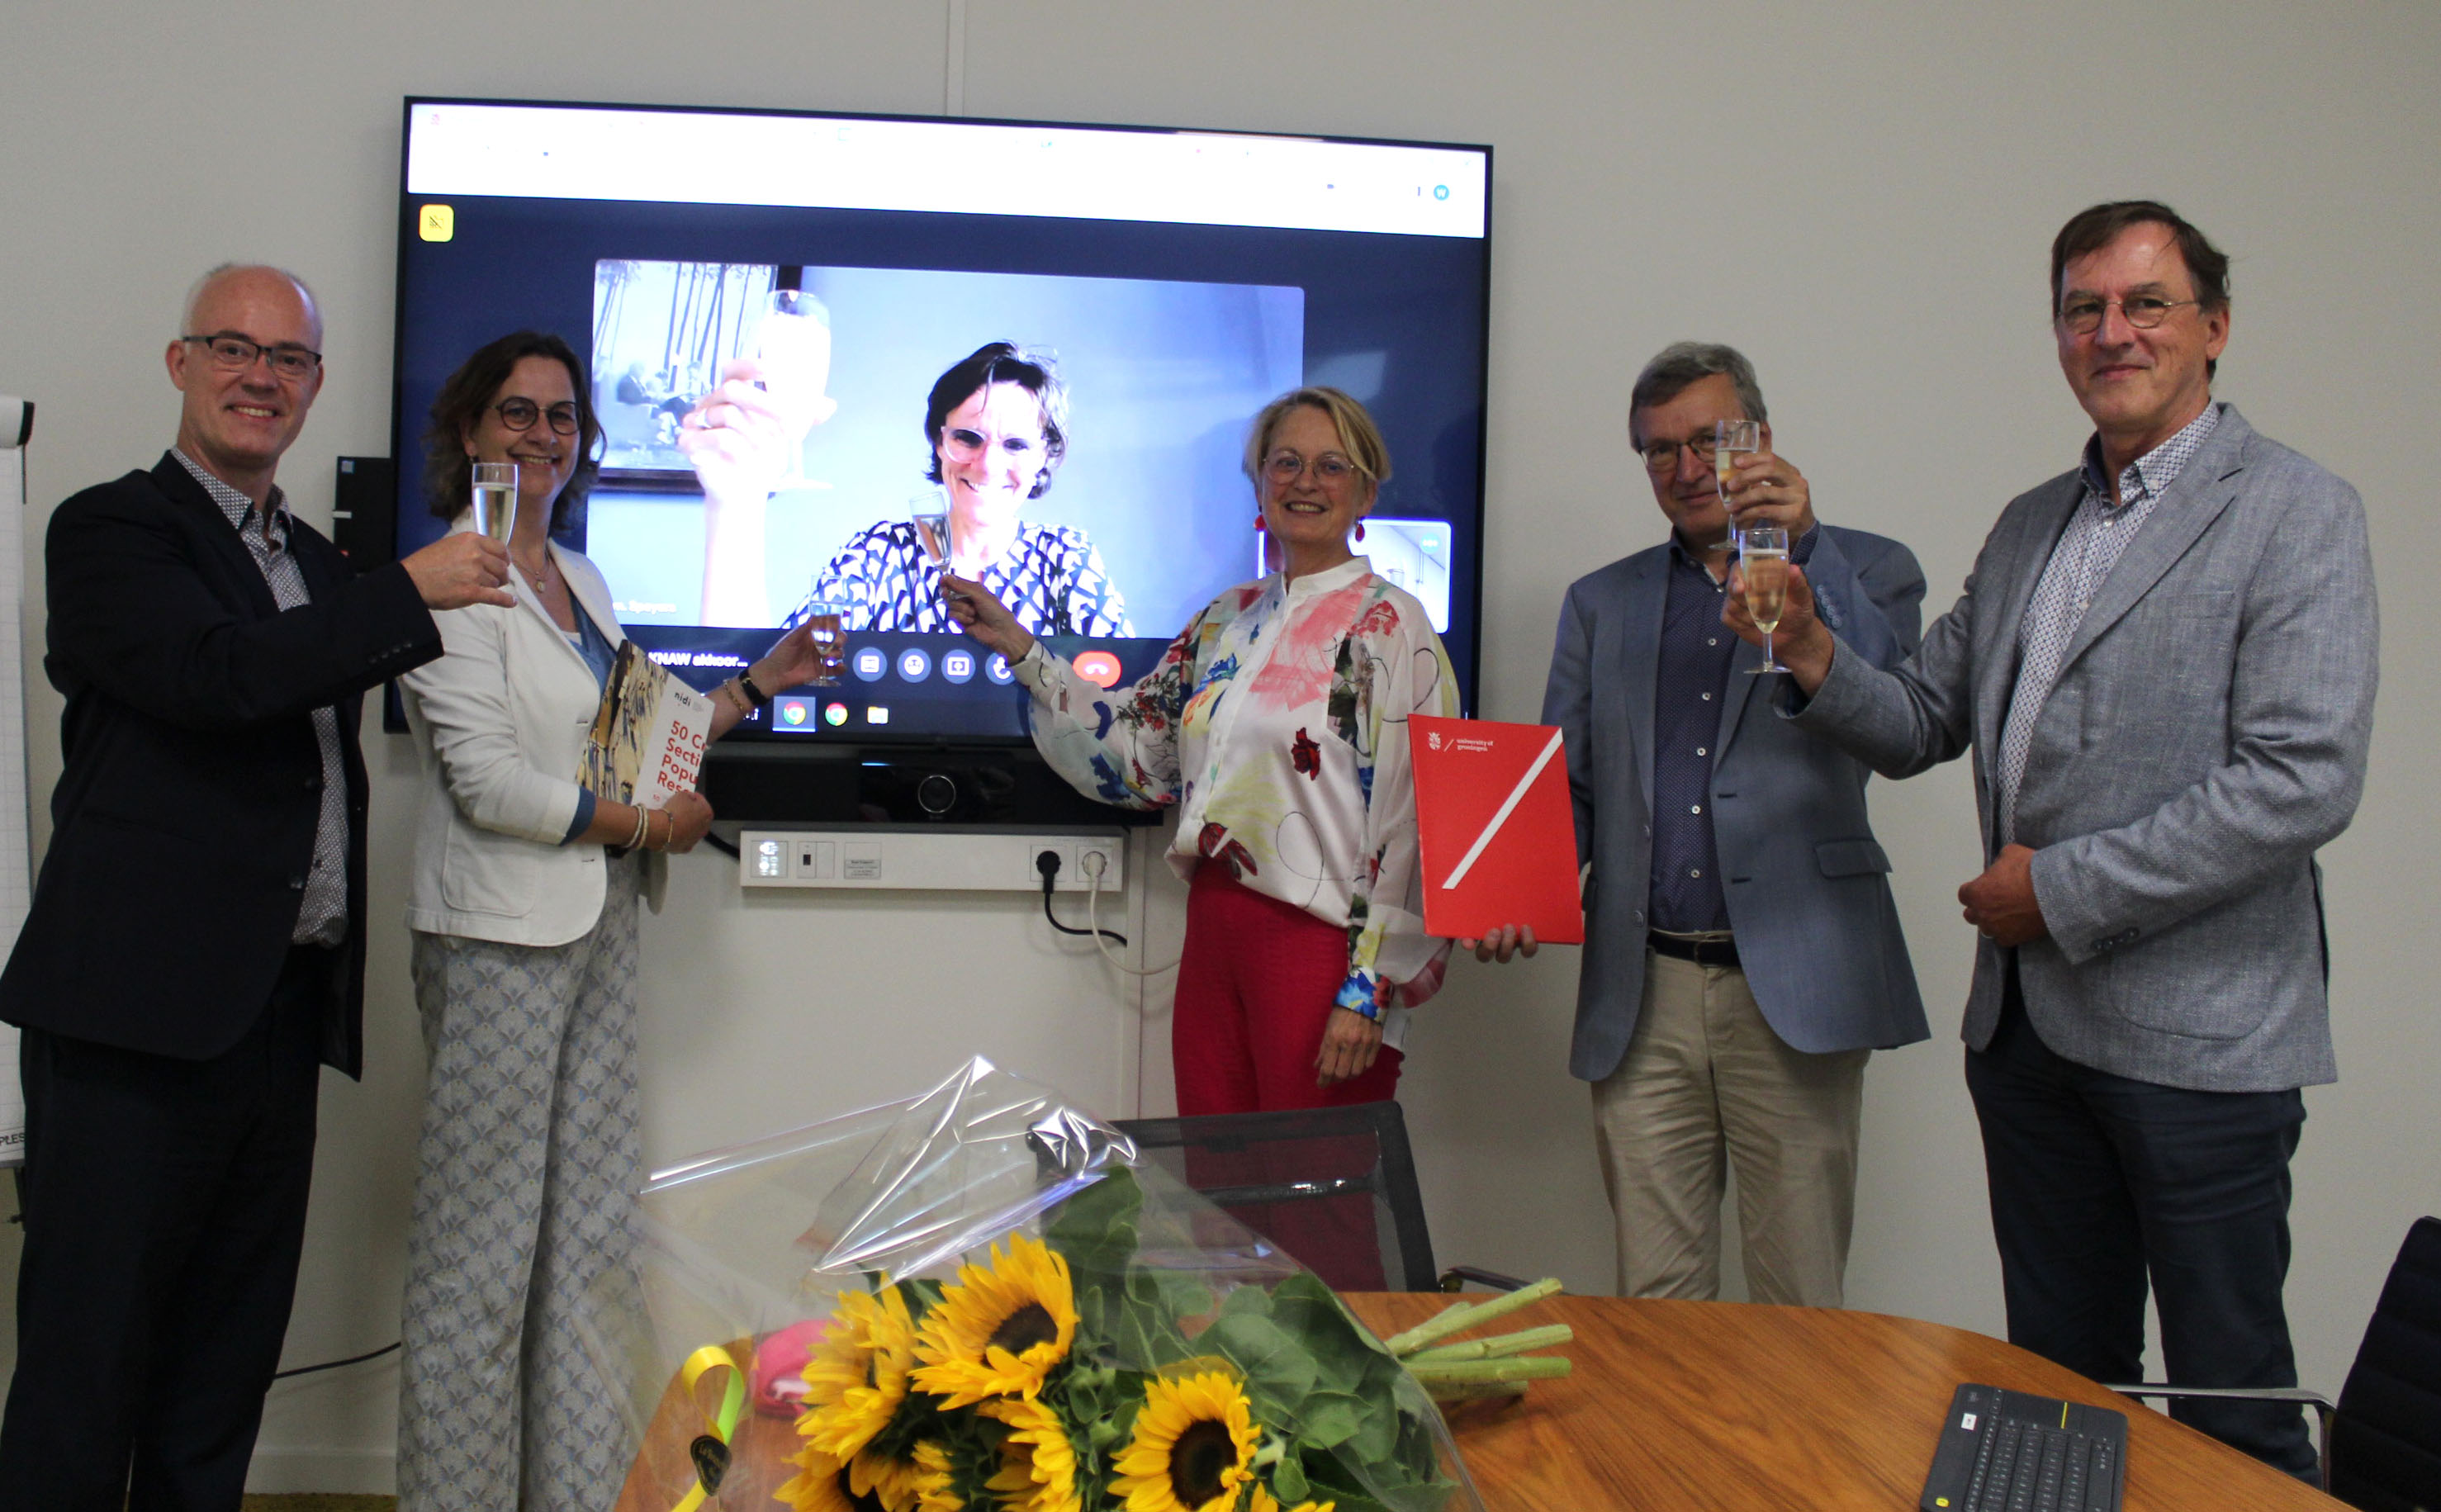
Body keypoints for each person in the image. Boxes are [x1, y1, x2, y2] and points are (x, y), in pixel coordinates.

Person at [1728, 201, 2377, 1476]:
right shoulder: (2037, 523)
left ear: (2216, 327)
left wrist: (2062, 889)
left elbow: (2303, 777)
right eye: (2084, 309)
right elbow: (1921, 716)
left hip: (2205, 1046)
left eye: (2145, 303)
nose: (2111, 331)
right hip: (2030, 1047)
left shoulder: (2299, 510)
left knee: (2228, 1412)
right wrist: (1810, 644)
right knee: (2064, 1401)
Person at [0, 263, 512, 1510]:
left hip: (274, 1022)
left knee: (219, 1376)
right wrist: (406, 588)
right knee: (84, 1376)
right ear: (180, 364)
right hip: (131, 1022)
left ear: (316, 386)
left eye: (287, 359)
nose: (259, 376)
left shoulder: (321, 568)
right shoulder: (111, 528)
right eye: (233, 347)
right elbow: (216, 674)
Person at [394, 331, 827, 1512]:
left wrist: (756, 684)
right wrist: (643, 830)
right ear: (471, 433)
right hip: (492, 943)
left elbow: (634, 748)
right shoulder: (438, 580)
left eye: (562, 418)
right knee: (480, 1269)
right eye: (518, 415)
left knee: (586, 1255)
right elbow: (489, 786)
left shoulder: (579, 578)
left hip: (596, 933)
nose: (543, 436)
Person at [1530, 342, 1929, 1306]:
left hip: (1795, 980)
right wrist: (1516, 891)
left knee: (1798, 1298)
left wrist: (1807, 551)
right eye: (1657, 450)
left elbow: (1901, 719)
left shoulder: (1869, 567)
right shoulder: (1601, 602)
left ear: (1758, 441)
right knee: (1655, 1305)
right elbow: (1565, 789)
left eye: (1707, 441)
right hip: (1645, 992)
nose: (1684, 469)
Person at [946, 387, 1457, 1115]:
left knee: (1319, 1204)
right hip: (1215, 937)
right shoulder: (1227, 619)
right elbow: (1137, 752)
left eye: (1330, 465)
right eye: (1285, 463)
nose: (1305, 482)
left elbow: (1415, 821)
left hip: (1319, 955)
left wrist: (1368, 988)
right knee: (1220, 1192)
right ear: (1259, 483)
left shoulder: (1391, 626)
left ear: (1366, 489)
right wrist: (1023, 649)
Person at [682, 339, 1131, 635]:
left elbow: (1126, 713)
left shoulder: (1067, 556)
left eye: (1016, 444)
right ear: (939, 441)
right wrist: (734, 503)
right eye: (967, 438)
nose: (989, 464)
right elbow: (777, 676)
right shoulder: (882, 552)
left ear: (1043, 456)